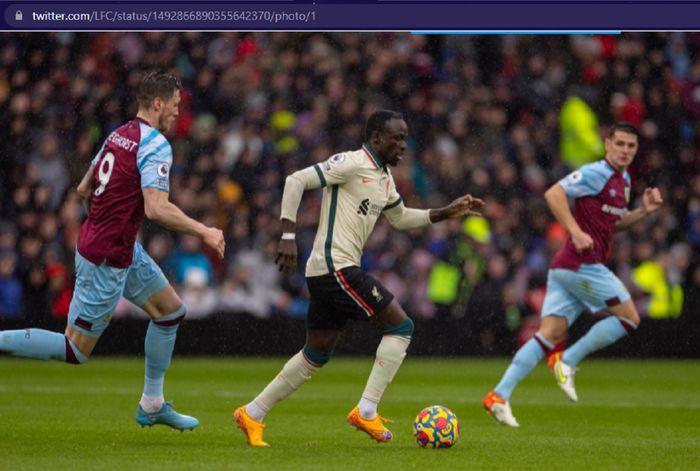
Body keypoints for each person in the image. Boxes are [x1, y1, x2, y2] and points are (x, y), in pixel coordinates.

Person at [232, 109, 483, 446]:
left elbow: (401, 218)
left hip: (329, 270)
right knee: (401, 327)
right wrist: (288, 236)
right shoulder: (350, 163)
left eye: (405, 138)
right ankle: (366, 411)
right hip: (337, 267)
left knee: (316, 353)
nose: (403, 146)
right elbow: (296, 180)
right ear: (377, 138)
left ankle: (253, 412)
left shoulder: (384, 178)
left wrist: (445, 213)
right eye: (397, 138)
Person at [0, 70, 225, 431]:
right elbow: (156, 208)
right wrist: (205, 231)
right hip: (106, 256)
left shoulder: (119, 134)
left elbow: (84, 187)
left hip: (118, 247)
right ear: (157, 103)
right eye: (174, 105)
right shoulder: (155, 144)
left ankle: (152, 404)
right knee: (75, 350)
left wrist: (107, 221)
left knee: (170, 313)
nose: (177, 113)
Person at [483, 122, 663, 427]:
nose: (625, 150)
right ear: (607, 144)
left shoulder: (625, 180)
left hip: (566, 268)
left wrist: (644, 212)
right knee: (630, 318)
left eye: (631, 146)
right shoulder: (596, 172)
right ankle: (566, 360)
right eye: (619, 143)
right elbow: (554, 193)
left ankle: (499, 396)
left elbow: (612, 225)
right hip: (582, 264)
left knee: (548, 335)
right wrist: (575, 231)